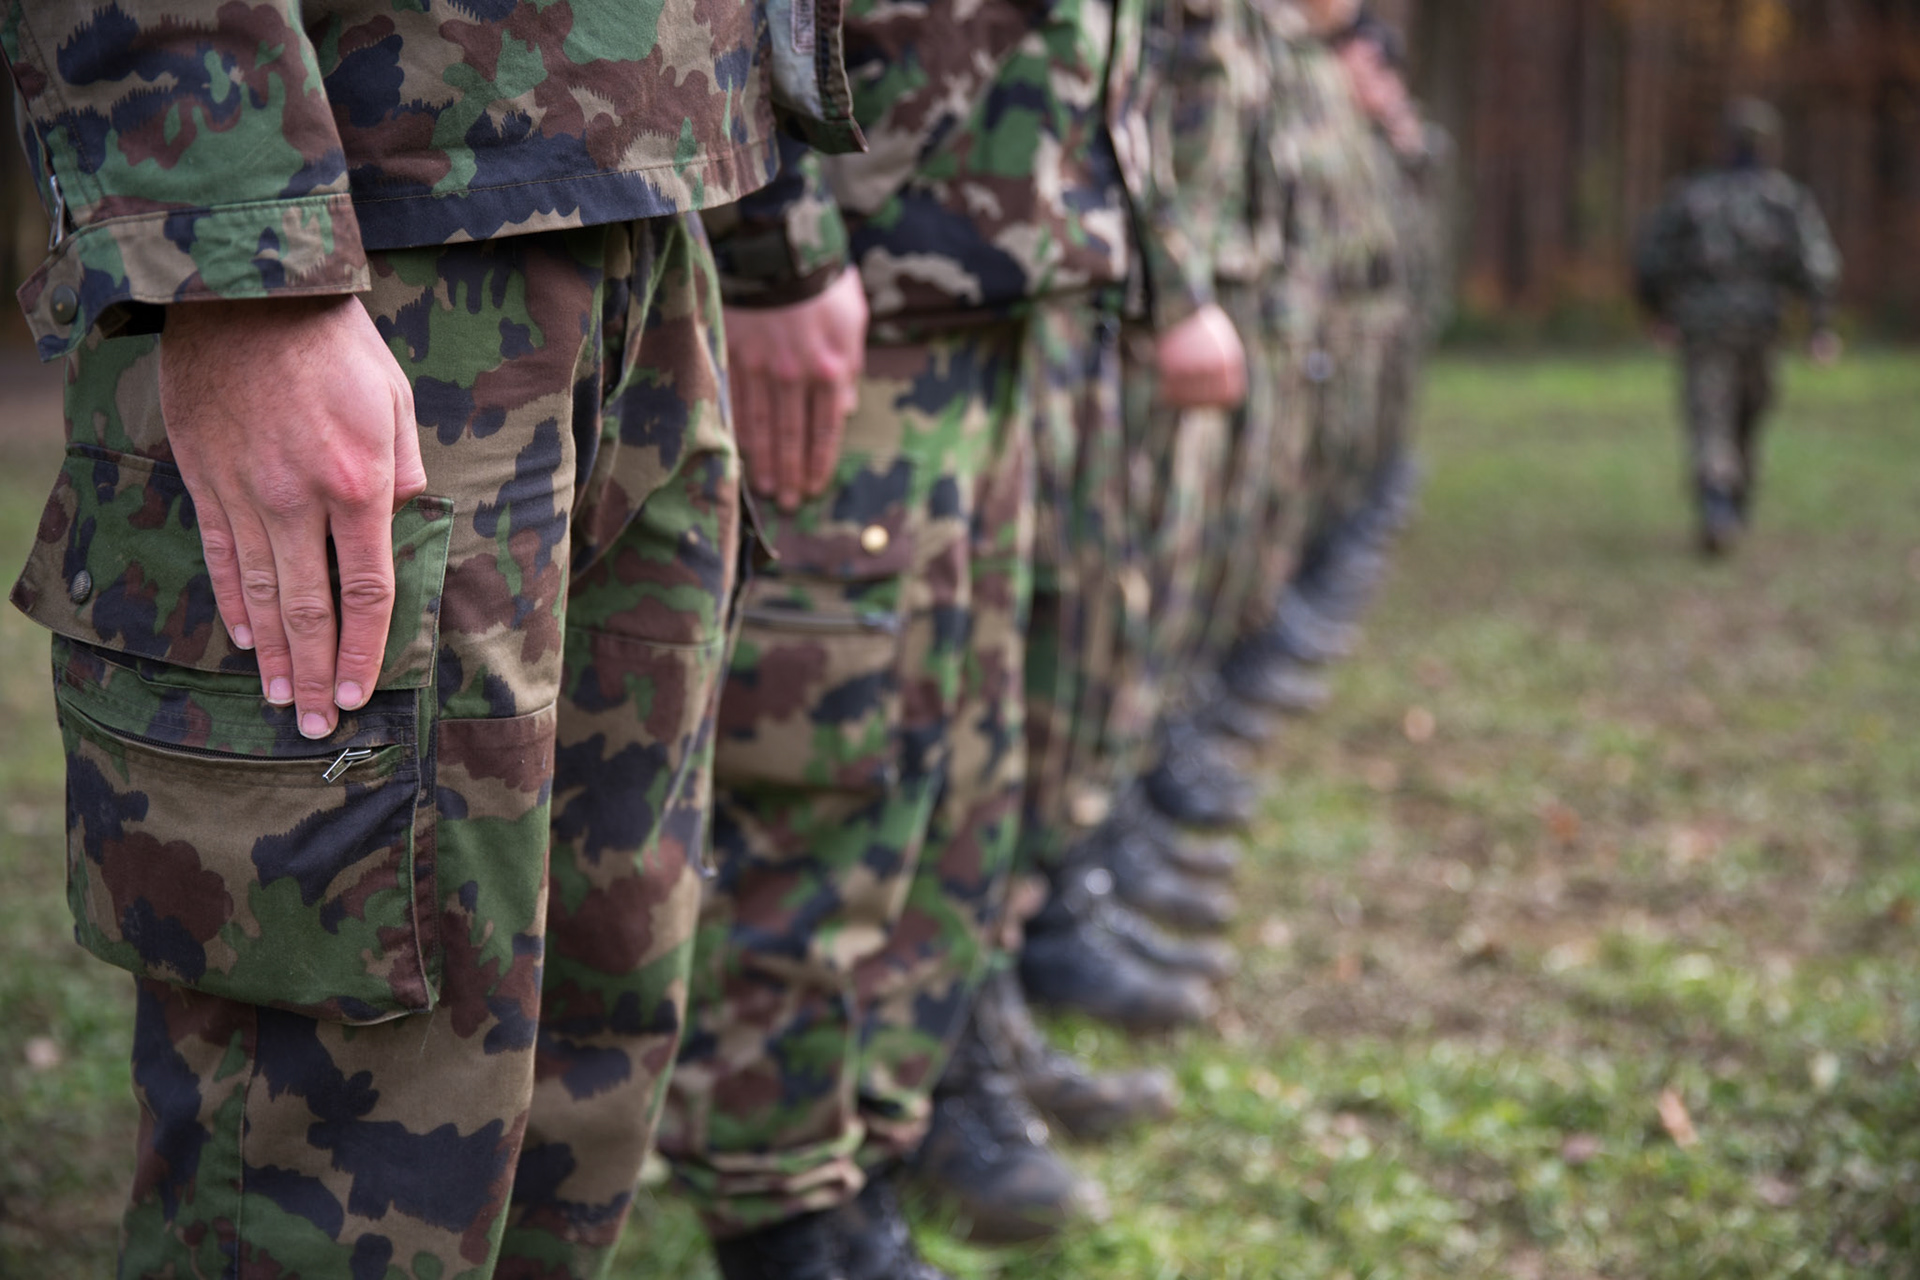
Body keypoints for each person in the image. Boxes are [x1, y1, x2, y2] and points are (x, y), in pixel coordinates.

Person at [2, 2, 858, 1274]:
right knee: (338, 1153)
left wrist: (779, 213)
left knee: (590, 1038)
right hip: (362, 252)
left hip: (652, 188)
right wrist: (244, 261)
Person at [653, 0, 1183, 1265]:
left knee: (955, 754)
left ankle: (888, 1124)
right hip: (853, 260)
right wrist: (775, 234)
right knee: (824, 762)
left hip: (977, 261)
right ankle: (782, 1202)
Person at [1634, 98, 1842, 555]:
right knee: (1749, 414)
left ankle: (1719, 502)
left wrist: (1660, 314)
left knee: (1712, 413)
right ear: (1769, 145)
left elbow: (1653, 260)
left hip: (1705, 324)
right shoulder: (1785, 198)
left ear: (1725, 143)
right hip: (1762, 324)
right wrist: (1820, 327)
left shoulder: (1693, 194)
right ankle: (1731, 502)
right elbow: (1817, 265)